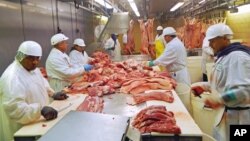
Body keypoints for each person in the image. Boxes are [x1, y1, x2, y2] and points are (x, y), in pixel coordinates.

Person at [0, 41, 68, 141]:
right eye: (31, 58)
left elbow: (41, 83)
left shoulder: (32, 69)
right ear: (20, 56)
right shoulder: (12, 77)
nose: (35, 62)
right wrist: (39, 110)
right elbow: (14, 108)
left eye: (37, 58)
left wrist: (53, 94)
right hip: (21, 129)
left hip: (36, 122)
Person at [192, 23, 250, 141]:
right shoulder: (224, 56)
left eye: (212, 41)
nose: (209, 45)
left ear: (224, 38)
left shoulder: (238, 57)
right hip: (226, 114)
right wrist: (204, 86)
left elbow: (245, 91)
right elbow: (221, 81)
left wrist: (219, 99)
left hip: (240, 119)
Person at [145, 27, 191, 113]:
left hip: (179, 75)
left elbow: (163, 58)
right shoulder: (175, 42)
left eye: (165, 37)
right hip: (177, 72)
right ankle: (181, 112)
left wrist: (150, 63)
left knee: (181, 99)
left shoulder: (173, 45)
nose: (164, 39)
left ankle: (183, 114)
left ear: (168, 36)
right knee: (179, 97)